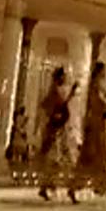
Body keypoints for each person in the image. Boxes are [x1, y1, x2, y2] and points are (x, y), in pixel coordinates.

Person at [72, 62, 106, 199]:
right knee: (97, 157)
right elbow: (100, 104)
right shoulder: (95, 87)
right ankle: (78, 186)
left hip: (99, 126)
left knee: (105, 157)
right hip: (96, 127)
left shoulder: (98, 87)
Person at [37, 66, 79, 202]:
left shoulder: (55, 91)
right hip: (57, 130)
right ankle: (68, 189)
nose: (65, 78)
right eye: (63, 76)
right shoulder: (55, 91)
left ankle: (49, 187)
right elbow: (59, 104)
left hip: (60, 129)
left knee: (60, 160)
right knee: (62, 160)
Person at [6, 106, 30, 184]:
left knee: (17, 158)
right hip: (20, 142)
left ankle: (16, 175)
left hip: (18, 142)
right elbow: (21, 130)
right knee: (19, 159)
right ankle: (18, 175)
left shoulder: (17, 124)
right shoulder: (22, 122)